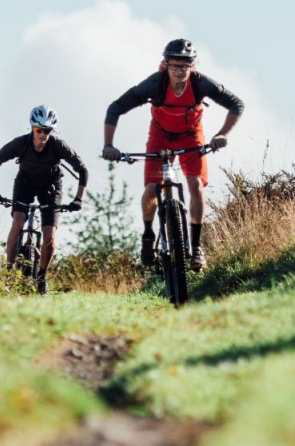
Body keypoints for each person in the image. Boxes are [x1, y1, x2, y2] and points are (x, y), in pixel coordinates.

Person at [102, 39, 244, 272]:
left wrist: (222, 134)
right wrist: (108, 145)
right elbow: (116, 107)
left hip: (191, 135)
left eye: (184, 66)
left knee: (195, 185)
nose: (179, 71)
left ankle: (196, 247)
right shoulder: (154, 84)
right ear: (165, 65)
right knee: (151, 189)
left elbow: (236, 104)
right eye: (175, 65)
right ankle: (148, 235)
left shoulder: (201, 84)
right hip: (160, 135)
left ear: (192, 66)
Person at [0, 105, 88, 293]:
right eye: (39, 130)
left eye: (47, 130)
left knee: (49, 234)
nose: (42, 134)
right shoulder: (20, 144)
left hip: (51, 187)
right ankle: (8, 272)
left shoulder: (58, 146)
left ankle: (41, 276)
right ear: (32, 128)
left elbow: (82, 170)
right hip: (25, 183)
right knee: (18, 221)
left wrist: (78, 199)